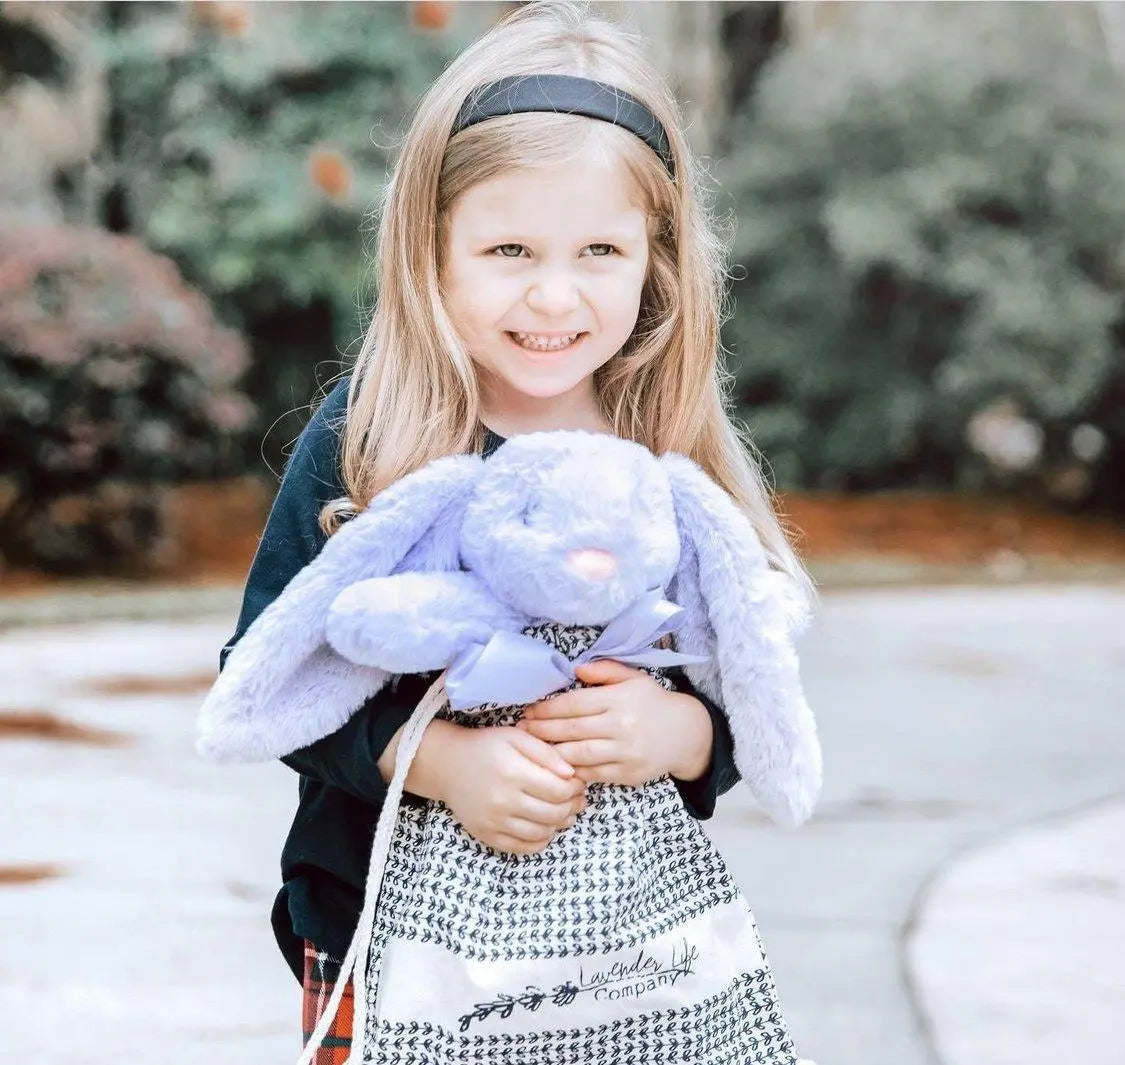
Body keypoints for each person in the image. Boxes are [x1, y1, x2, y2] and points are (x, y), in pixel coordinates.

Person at [217, 1, 816, 1059]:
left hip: (627, 967)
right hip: (381, 938)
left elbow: (743, 677)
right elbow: (267, 677)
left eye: (599, 250)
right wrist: (438, 764)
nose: (554, 294)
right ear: (430, 249)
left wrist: (685, 740)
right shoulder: (376, 434)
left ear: (657, 259)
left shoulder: (662, 443)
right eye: (507, 248)